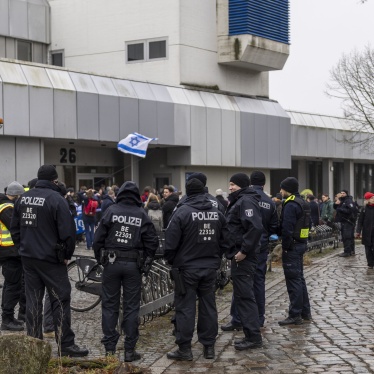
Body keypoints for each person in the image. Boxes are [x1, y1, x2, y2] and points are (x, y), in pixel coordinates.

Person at [10, 165, 88, 357]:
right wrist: (66, 255)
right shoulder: (57, 200)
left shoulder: (23, 199)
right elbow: (68, 232)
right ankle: (66, 344)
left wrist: (22, 248)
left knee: (33, 300)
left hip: (29, 258)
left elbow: (15, 228)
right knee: (60, 299)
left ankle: (34, 344)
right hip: (51, 259)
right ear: (54, 180)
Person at [164, 177, 230, 361]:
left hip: (186, 269)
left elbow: (170, 244)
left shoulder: (182, 212)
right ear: (203, 191)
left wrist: (173, 261)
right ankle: (209, 347)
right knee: (209, 306)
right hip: (210, 268)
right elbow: (227, 240)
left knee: (185, 308)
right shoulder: (217, 212)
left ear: (187, 192)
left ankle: (185, 349)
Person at [93, 181, 159, 362]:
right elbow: (152, 241)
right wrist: (147, 261)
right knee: (131, 307)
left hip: (112, 264)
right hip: (133, 266)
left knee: (109, 306)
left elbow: (98, 238)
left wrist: (100, 258)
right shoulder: (141, 214)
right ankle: (129, 350)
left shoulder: (111, 211)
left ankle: (109, 349)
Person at [223, 172, 263, 350]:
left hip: (243, 258)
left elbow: (254, 227)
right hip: (239, 255)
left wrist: (244, 251)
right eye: (229, 184)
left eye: (233, 184)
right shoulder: (240, 200)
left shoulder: (245, 201)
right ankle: (250, 334)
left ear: (242, 185)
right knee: (243, 296)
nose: (230, 187)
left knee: (245, 297)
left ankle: (253, 337)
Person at [278, 177, 311, 326]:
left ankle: (295, 314)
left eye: (282, 189)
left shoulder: (291, 204)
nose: (280, 192)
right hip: (301, 243)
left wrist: (285, 247)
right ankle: (305, 312)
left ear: (287, 189)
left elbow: (287, 228)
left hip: (292, 246)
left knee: (293, 281)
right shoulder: (303, 202)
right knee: (299, 278)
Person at [0, 181, 26, 331]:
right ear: (16, 196)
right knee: (12, 286)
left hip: (9, 251)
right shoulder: (7, 208)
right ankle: (7, 318)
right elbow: (16, 227)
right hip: (10, 252)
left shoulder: (5, 206)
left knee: (12, 285)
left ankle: (9, 317)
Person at [333, 190, 357, 257]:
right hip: (343, 221)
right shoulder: (341, 200)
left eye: (343, 193)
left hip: (348, 221)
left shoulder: (348, 201)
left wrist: (340, 209)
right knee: (346, 237)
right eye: (341, 193)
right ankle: (351, 251)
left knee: (347, 237)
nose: (342, 194)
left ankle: (348, 251)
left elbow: (350, 210)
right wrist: (336, 203)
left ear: (346, 194)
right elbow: (335, 207)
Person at [356, 192, 374, 268]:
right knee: (368, 248)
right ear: (368, 200)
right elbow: (360, 221)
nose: (373, 199)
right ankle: (370, 263)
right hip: (367, 231)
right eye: (372, 198)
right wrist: (358, 231)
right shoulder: (364, 209)